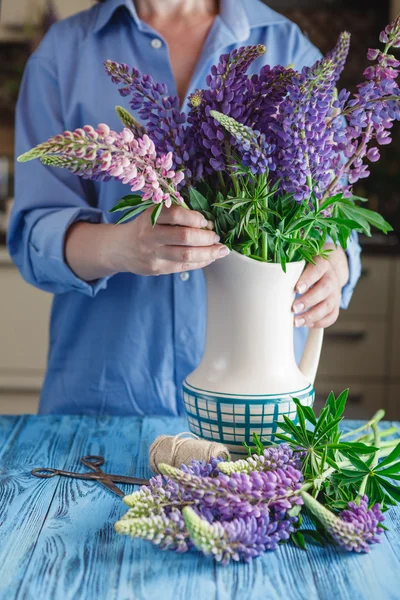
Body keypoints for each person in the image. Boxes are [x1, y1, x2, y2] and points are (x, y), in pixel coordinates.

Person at [8, 0, 361, 416]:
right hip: (105, 408)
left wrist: (333, 265)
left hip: (256, 408)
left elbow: (335, 212)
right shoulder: (64, 51)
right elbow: (34, 236)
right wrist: (121, 246)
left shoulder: (286, 45)